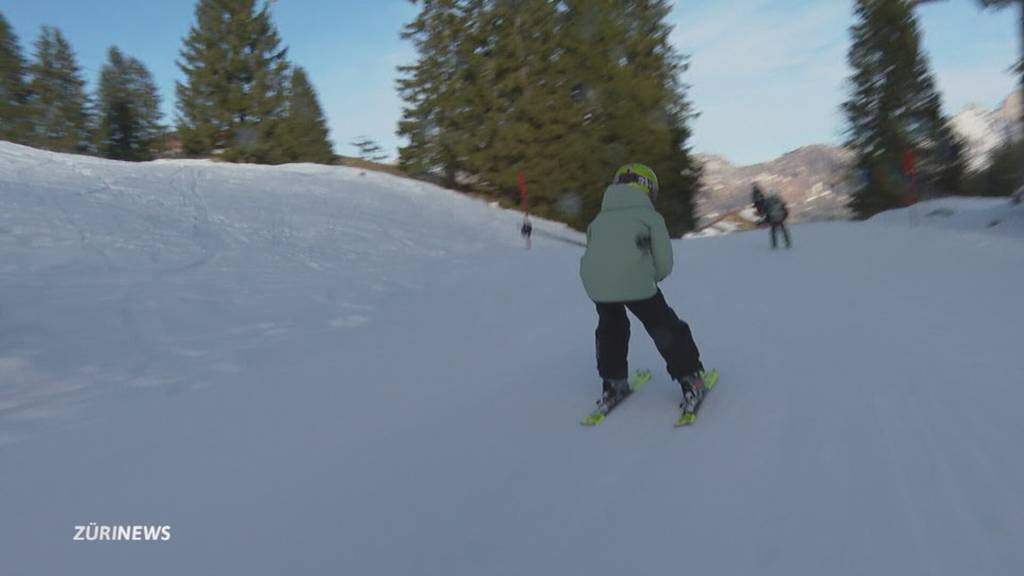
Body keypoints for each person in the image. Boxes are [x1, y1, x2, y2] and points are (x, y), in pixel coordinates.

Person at [579, 163, 707, 412]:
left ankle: (613, 384)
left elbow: (596, 255)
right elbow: (664, 262)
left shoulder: (599, 219)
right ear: (648, 189)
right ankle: (691, 378)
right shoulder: (650, 217)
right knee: (665, 327)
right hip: (636, 282)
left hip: (597, 285)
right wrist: (651, 278)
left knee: (610, 329)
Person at [751, 184, 791, 249]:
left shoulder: (767, 201)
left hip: (773, 219)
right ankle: (787, 243)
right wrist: (784, 217)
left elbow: (765, 211)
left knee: (773, 232)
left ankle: (774, 245)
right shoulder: (779, 200)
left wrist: (764, 217)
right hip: (780, 218)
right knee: (783, 230)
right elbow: (785, 210)